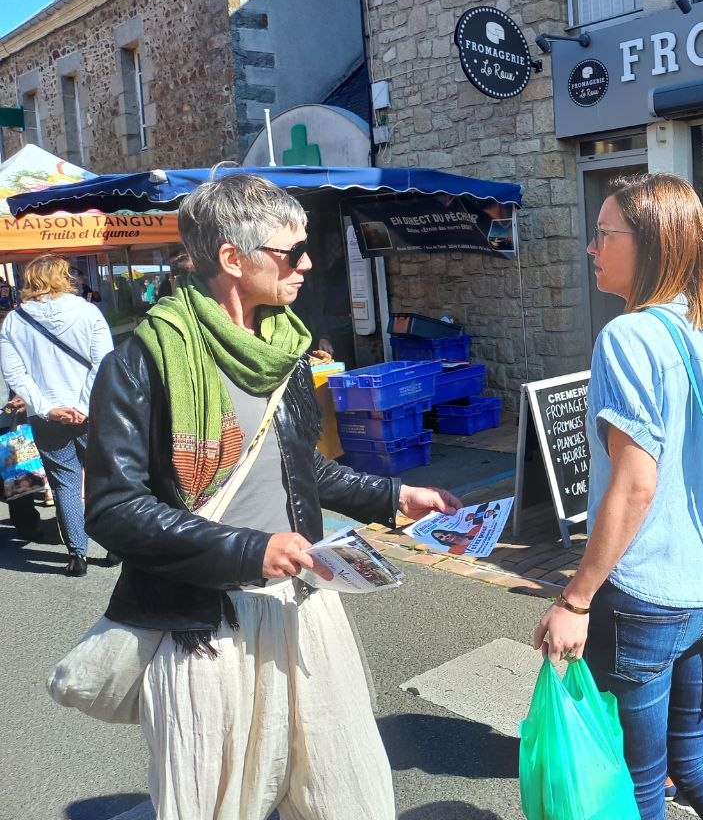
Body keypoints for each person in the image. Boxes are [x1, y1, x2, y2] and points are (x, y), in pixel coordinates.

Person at [82, 173, 462, 820]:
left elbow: (301, 470)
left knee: (349, 795)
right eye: (292, 253)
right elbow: (114, 510)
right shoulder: (139, 364)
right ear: (233, 259)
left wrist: (397, 496)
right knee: (216, 803)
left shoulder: (283, 348)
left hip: (305, 610)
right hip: (205, 627)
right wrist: (252, 551)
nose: (308, 264)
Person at [532, 172, 703, 820]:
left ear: (650, 244)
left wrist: (575, 599)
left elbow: (635, 484)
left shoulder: (627, 338)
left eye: (604, 233)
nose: (592, 247)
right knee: (695, 758)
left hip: (644, 597)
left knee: (641, 783)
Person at [0, 254, 112, 575]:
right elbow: (103, 362)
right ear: (64, 276)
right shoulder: (88, 312)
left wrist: (48, 408)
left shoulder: (15, 321)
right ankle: (115, 546)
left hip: (45, 417)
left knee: (65, 483)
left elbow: (16, 376)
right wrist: (82, 406)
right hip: (93, 413)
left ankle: (77, 555)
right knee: (104, 479)